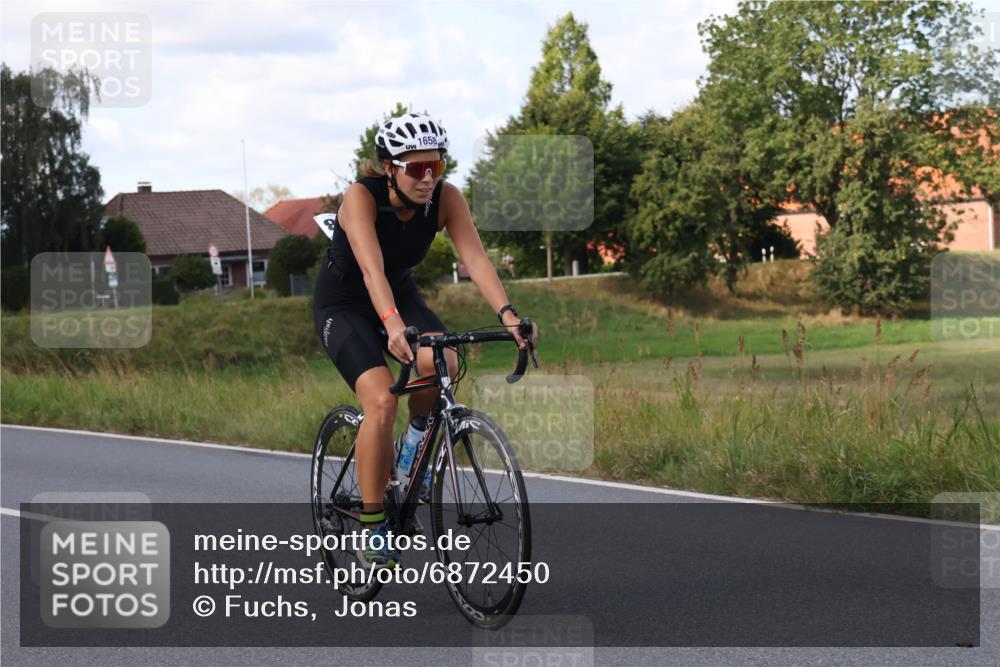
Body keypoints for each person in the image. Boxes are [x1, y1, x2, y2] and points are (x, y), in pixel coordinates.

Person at [313, 112, 538, 568]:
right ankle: (373, 524)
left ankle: (412, 449)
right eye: (416, 168)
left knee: (445, 363)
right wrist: (393, 325)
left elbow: (474, 258)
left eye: (436, 166)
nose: (428, 178)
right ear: (390, 168)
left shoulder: (446, 198)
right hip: (345, 303)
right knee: (380, 400)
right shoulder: (361, 197)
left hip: (398, 293)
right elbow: (371, 270)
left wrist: (509, 314)